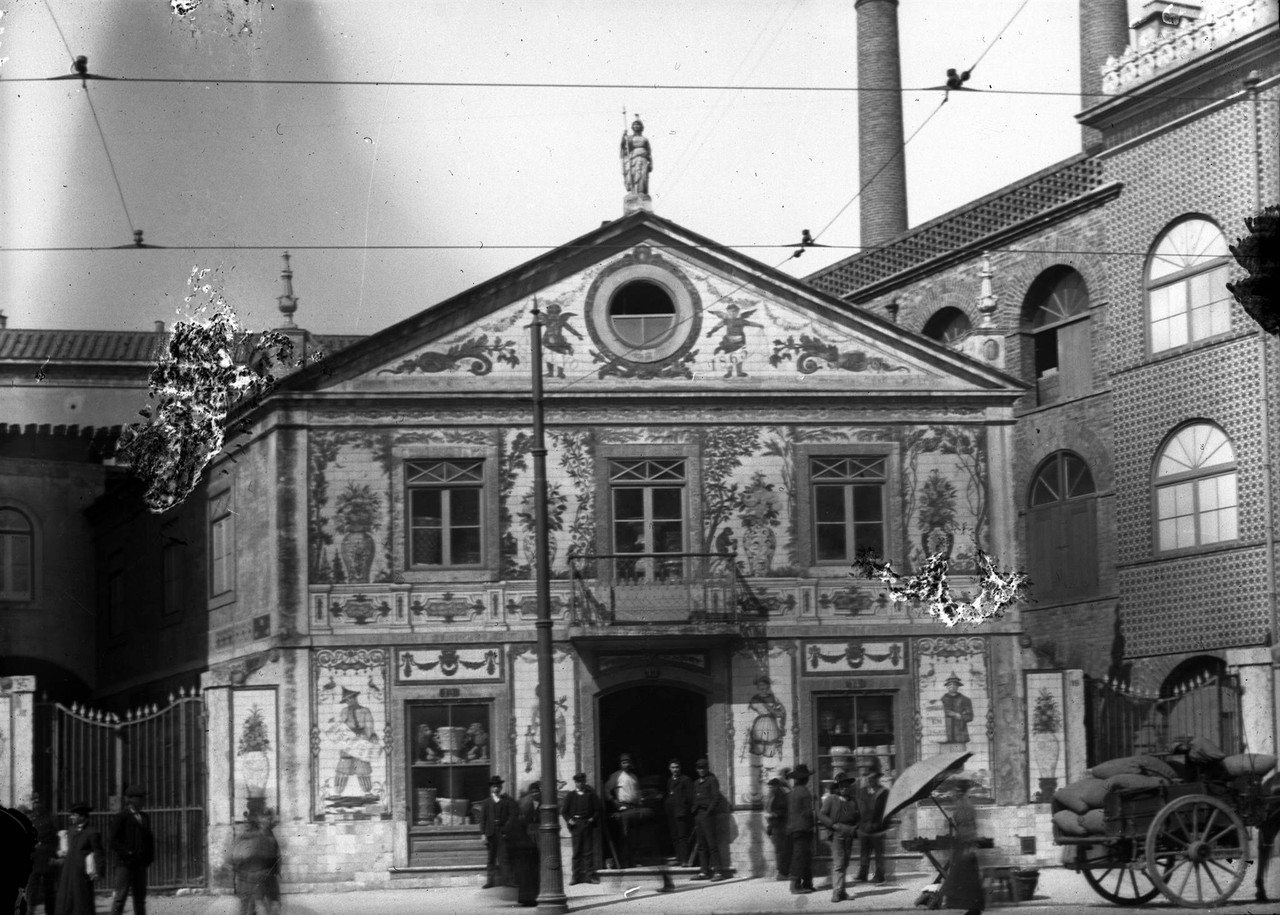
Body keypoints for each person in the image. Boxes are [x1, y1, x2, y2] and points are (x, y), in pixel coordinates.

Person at [939, 778, 984, 915]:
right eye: (955, 790)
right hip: (962, 842)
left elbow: (970, 826)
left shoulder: (965, 804)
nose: (955, 793)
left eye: (957, 790)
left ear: (962, 791)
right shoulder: (960, 803)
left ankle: (974, 908)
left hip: (966, 843)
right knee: (964, 877)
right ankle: (973, 908)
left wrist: (969, 845)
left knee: (966, 877)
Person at [109, 785, 154, 915]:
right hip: (125, 865)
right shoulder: (121, 817)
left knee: (140, 899)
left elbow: (149, 839)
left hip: (140, 865)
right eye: (140, 799)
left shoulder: (145, 817)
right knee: (120, 898)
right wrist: (127, 852)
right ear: (132, 800)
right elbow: (113, 841)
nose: (143, 802)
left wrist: (149, 858)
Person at [230, 810, 282, 915]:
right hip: (252, 877)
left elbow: (274, 856)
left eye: (248, 823)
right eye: (245, 822)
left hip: (261, 877)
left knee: (256, 905)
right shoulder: (248, 837)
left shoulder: (264, 836)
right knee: (249, 906)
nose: (246, 825)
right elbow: (233, 857)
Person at [55, 801, 103, 915]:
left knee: (82, 901)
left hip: (82, 874)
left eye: (74, 815)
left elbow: (99, 852)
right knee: (67, 900)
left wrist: (99, 872)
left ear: (82, 816)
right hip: (68, 872)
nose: (71, 817)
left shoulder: (92, 832)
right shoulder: (71, 830)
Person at [819, 773, 860, 902]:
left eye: (847, 786)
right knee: (838, 864)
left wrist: (855, 828)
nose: (845, 788)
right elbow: (821, 815)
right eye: (842, 786)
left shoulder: (853, 801)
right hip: (836, 834)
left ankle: (842, 891)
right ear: (837, 787)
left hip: (849, 833)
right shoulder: (831, 799)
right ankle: (836, 892)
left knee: (845, 863)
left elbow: (859, 817)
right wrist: (833, 825)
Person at [331, 688, 380, 796]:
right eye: (346, 701)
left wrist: (364, 739)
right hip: (348, 741)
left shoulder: (365, 710)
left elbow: (369, 726)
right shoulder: (344, 711)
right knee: (343, 767)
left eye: (349, 700)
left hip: (361, 739)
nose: (348, 702)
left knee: (362, 767)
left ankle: (367, 792)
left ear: (354, 698)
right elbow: (341, 725)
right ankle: (337, 792)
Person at [689, 758, 729, 882]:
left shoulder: (711, 780)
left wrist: (708, 812)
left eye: (703, 768)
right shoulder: (696, 783)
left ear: (707, 768)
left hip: (708, 815)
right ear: (696, 770)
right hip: (699, 815)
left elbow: (716, 798)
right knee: (701, 845)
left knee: (712, 844)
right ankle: (704, 871)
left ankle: (718, 872)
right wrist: (694, 810)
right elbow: (694, 797)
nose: (701, 770)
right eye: (699, 768)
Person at [604, 753, 645, 868]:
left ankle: (633, 860)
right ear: (620, 764)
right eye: (623, 762)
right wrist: (615, 802)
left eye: (628, 762)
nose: (626, 765)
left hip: (634, 807)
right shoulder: (616, 776)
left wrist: (640, 802)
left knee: (634, 835)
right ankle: (624, 862)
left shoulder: (634, 777)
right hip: (624, 808)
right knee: (624, 836)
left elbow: (638, 792)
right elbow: (606, 790)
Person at [476, 775, 517, 889]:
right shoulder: (486, 803)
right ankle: (490, 881)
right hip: (490, 833)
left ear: (501, 787)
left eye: (498, 786)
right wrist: (483, 834)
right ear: (491, 788)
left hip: (503, 833)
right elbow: (482, 819)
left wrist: (506, 829)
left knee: (504, 857)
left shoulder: (506, 801)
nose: (496, 788)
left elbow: (512, 817)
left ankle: (507, 881)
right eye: (494, 786)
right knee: (491, 858)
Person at [560, 772, 601, 885]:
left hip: (587, 823)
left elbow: (598, 809)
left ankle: (590, 876)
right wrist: (569, 820)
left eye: (582, 781)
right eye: (578, 782)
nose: (580, 784)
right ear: (575, 783)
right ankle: (575, 877)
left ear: (584, 782)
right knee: (576, 852)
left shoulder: (590, 795)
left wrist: (592, 818)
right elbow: (564, 812)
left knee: (588, 851)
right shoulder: (571, 795)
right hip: (576, 825)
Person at [25, 794, 59, 914]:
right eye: (34, 802)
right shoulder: (29, 818)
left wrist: (53, 854)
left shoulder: (50, 818)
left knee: (49, 889)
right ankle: (30, 911)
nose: (36, 804)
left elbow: (55, 838)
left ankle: (50, 911)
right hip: (35, 858)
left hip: (47, 857)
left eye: (38, 802)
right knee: (32, 889)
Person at [855, 769, 890, 883]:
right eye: (869, 778)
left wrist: (883, 826)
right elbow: (858, 808)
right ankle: (862, 874)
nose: (871, 780)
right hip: (864, 827)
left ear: (877, 779)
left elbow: (887, 811)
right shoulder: (862, 791)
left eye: (873, 778)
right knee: (864, 853)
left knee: (878, 854)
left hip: (877, 828)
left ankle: (879, 875)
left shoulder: (883, 792)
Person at [786, 764, 816, 894]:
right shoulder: (805, 792)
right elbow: (808, 813)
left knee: (803, 856)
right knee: (801, 856)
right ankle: (795, 885)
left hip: (794, 828)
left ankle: (807, 883)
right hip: (804, 828)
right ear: (806, 779)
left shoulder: (792, 792)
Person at [511, 783, 541, 907]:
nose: (535, 794)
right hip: (527, 836)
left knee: (538, 866)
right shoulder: (524, 806)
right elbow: (519, 823)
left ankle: (537, 894)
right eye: (532, 792)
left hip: (540, 835)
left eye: (536, 792)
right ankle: (528, 896)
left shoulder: (544, 803)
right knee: (527, 868)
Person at [663, 759, 695, 867]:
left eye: (676, 767)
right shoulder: (669, 781)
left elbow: (690, 797)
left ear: (680, 768)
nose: (675, 770)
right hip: (671, 812)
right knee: (674, 836)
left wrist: (686, 810)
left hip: (681, 812)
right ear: (669, 769)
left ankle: (684, 860)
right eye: (673, 768)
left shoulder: (685, 780)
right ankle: (678, 857)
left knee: (682, 836)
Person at [764, 776, 791, 882]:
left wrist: (773, 815)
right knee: (780, 850)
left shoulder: (781, 796)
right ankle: (782, 872)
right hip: (775, 826)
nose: (770, 789)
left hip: (781, 826)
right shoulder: (773, 796)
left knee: (782, 850)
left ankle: (783, 872)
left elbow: (783, 811)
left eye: (771, 787)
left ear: (776, 787)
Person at [619, 118, 653, 195]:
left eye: (638, 125)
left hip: (643, 159)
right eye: (635, 125)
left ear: (641, 127)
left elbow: (649, 152)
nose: (636, 126)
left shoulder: (645, 139)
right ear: (632, 127)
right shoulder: (630, 138)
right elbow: (624, 147)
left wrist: (651, 163)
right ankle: (633, 192)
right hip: (633, 159)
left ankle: (641, 192)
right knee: (633, 175)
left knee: (642, 176)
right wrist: (623, 137)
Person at [941, 675, 974, 745]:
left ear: (958, 686)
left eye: (955, 684)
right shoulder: (942, 700)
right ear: (947, 686)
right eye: (950, 684)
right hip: (945, 733)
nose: (952, 686)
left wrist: (961, 716)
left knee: (960, 754)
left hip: (960, 733)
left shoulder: (965, 700)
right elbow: (938, 713)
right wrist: (953, 714)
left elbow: (970, 716)